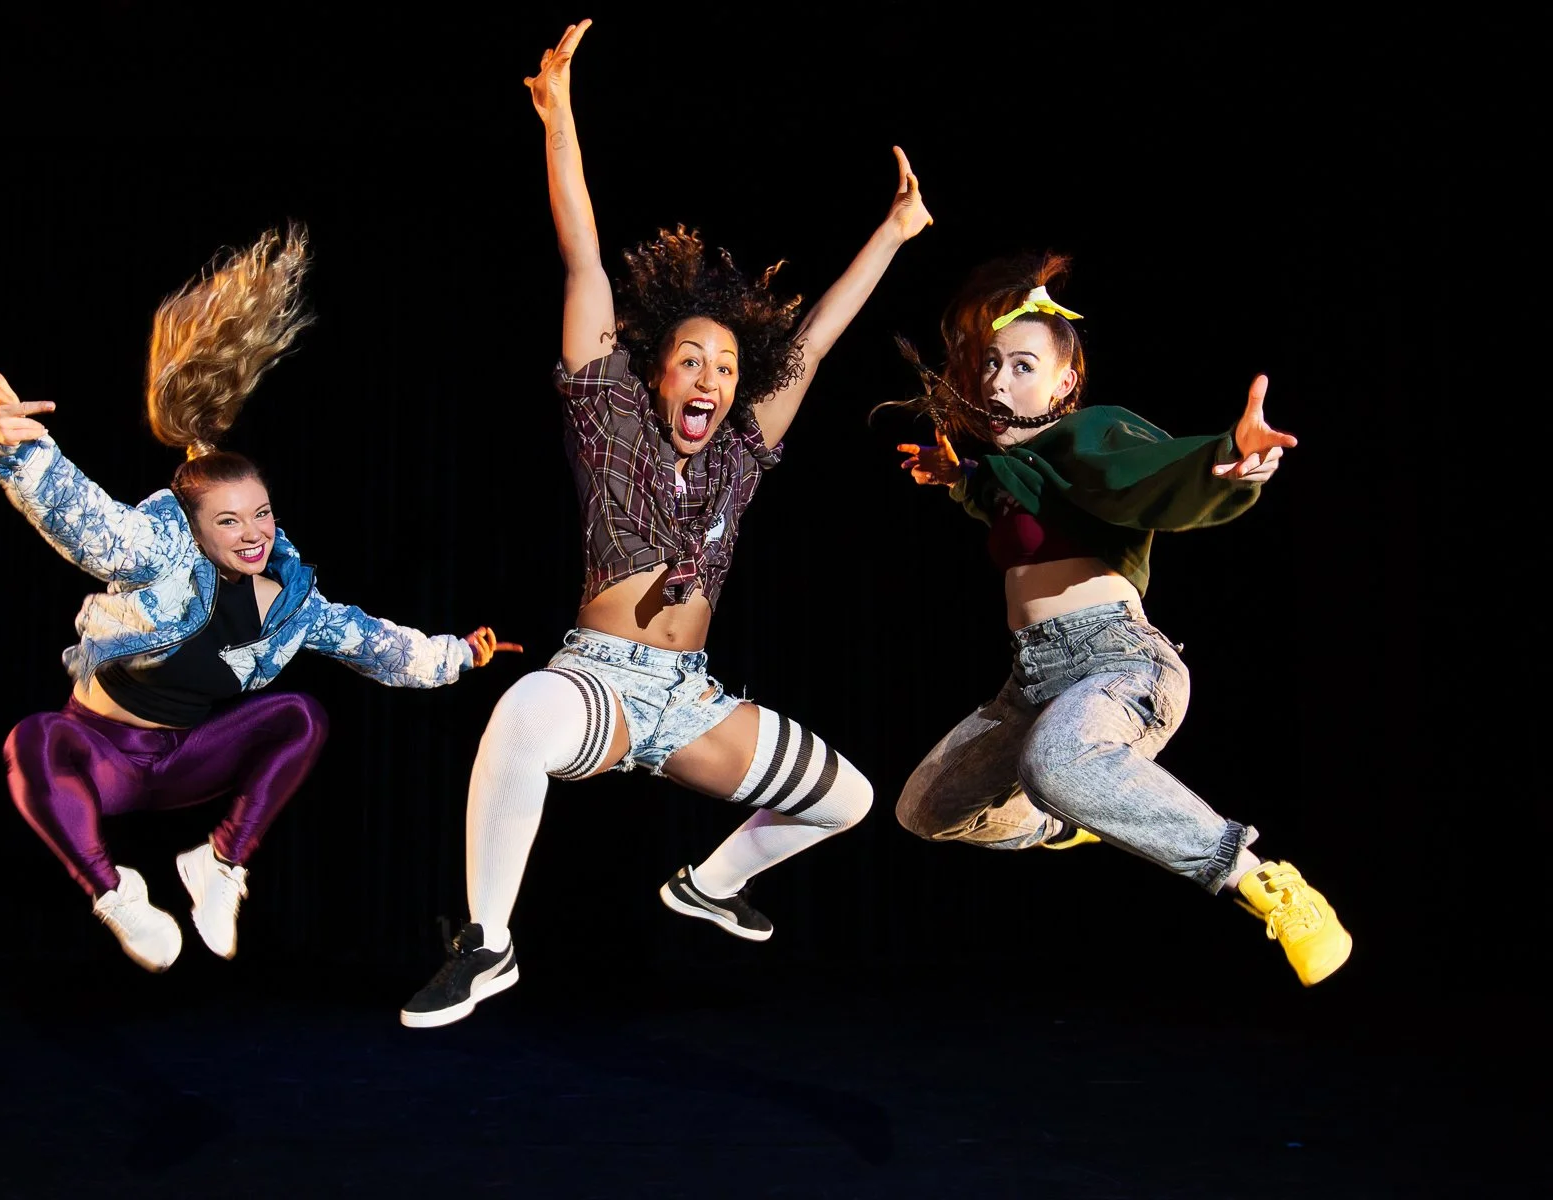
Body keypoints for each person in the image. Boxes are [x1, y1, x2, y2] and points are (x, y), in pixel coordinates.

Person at [398, 18, 932, 1028]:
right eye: (692, 358)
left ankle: (710, 885)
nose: (711, 377)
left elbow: (811, 347)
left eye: (727, 368)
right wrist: (559, 120)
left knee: (849, 799)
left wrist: (894, 235)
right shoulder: (612, 423)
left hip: (690, 702)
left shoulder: (739, 454)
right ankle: (488, 943)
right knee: (518, 717)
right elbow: (585, 262)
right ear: (654, 370)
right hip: (600, 678)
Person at [0, 225, 520, 972]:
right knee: (31, 741)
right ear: (196, 529)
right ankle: (115, 896)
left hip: (182, 762)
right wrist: (20, 449)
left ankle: (221, 866)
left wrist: (457, 655)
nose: (252, 534)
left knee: (303, 715)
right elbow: (86, 520)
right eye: (229, 522)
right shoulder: (156, 552)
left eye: (261, 514)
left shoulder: (291, 603)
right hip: (99, 755)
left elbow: (368, 640)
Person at [882, 250, 1351, 986]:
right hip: (1032, 681)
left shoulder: (1089, 436)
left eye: (1025, 366)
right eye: (993, 366)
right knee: (927, 808)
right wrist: (959, 477)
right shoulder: (1018, 475)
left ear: (1065, 382)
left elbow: (1153, 474)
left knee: (1055, 763)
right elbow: (1010, 499)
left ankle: (1260, 879)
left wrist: (1227, 460)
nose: (1000, 380)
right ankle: (1069, 816)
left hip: (1119, 663)